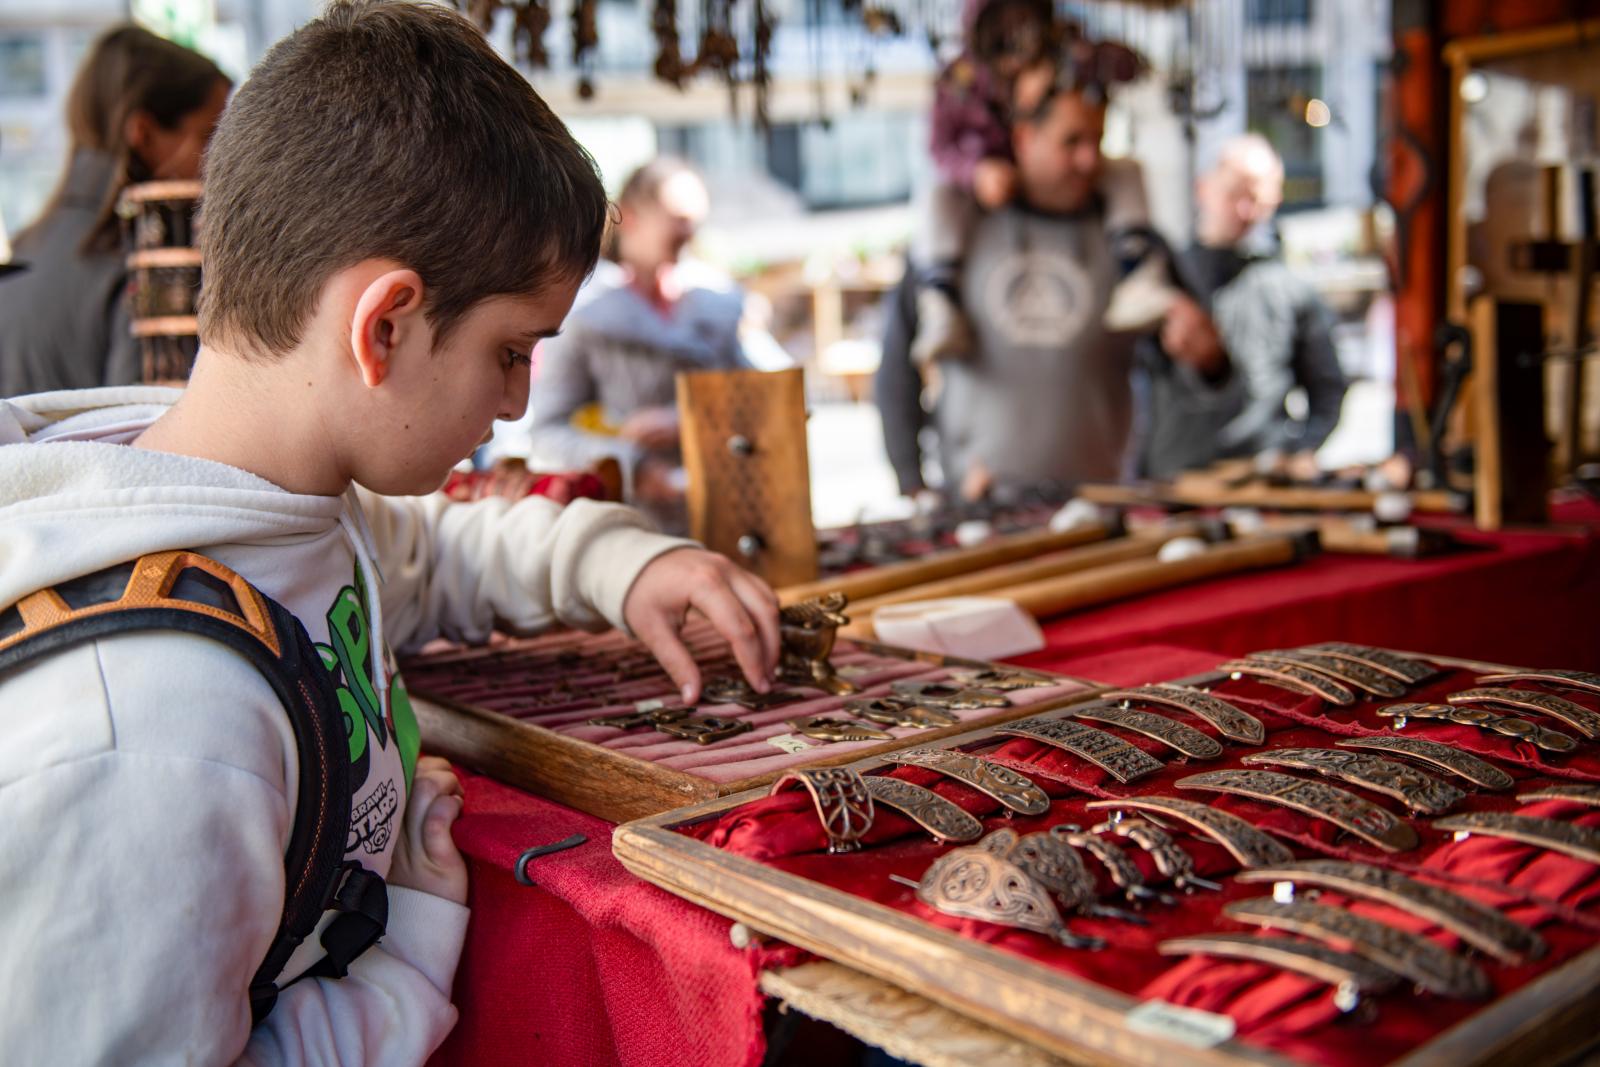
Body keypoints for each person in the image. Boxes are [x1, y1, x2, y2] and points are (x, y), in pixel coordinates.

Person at [0, 3, 780, 1063]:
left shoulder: (282, 502)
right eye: (512, 350)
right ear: (385, 327)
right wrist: (406, 960)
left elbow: (427, 555)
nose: (517, 401)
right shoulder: (152, 735)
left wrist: (618, 559)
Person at [879, 76, 1229, 500]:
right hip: (977, 501)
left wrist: (1208, 358)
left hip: (1103, 503)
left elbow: (1203, 375)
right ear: (1025, 138)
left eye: (1098, 140)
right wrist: (912, 484)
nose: (1089, 159)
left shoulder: (1134, 246)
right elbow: (898, 371)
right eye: (1071, 141)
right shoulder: (953, 237)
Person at [505, 156, 764, 532]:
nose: (689, 231)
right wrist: (630, 465)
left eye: (695, 219)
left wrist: (689, 420)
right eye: (677, 217)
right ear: (631, 216)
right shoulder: (585, 315)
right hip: (631, 528)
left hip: (726, 515)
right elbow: (547, 433)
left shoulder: (717, 305)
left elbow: (766, 400)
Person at [911, 0, 1151, 367]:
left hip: (1047, 179)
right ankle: (940, 299)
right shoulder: (958, 78)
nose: (1016, 34)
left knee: (1126, 174)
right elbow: (939, 146)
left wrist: (1098, 59)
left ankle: (1141, 273)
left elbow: (1128, 66)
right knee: (940, 199)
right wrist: (975, 172)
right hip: (988, 187)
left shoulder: (1066, 50)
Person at [0, 25, 230, 397]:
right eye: (208, 135)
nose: (220, 160)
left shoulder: (24, 250)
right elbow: (152, 439)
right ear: (143, 132)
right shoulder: (148, 271)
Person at [1139, 134, 1348, 479]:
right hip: (1174, 478)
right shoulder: (1161, 280)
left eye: (1257, 198)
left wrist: (1296, 452)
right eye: (1235, 192)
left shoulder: (1289, 290)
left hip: (1255, 478)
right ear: (1204, 188)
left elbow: (1328, 390)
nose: (1245, 211)